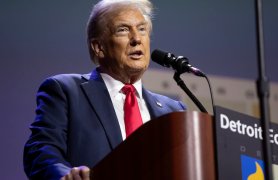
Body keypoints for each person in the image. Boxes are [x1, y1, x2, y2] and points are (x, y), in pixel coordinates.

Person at [23, 0, 186, 179]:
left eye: (142, 29)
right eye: (123, 30)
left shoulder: (174, 110)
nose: (137, 39)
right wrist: (67, 176)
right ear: (98, 47)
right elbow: (41, 151)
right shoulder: (66, 91)